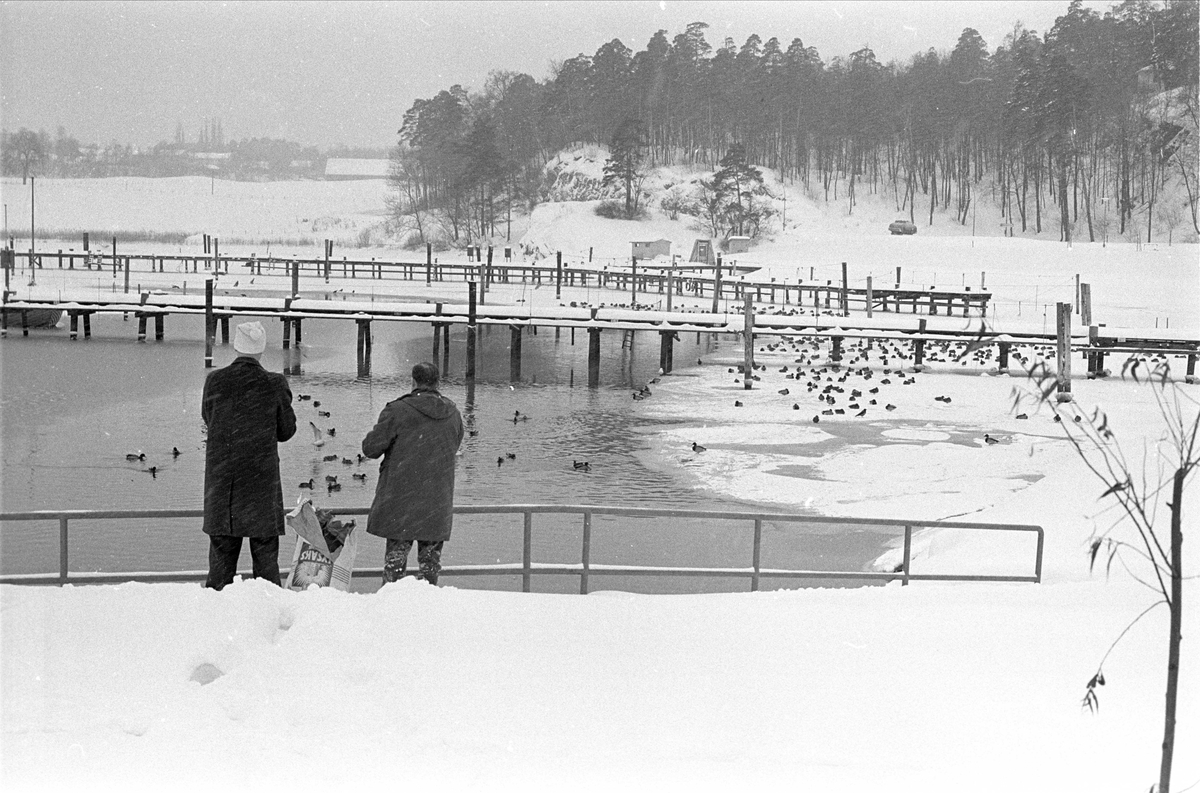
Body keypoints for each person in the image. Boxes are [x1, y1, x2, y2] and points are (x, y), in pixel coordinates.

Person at [201, 320, 297, 589]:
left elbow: (209, 418)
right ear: (262, 348)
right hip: (260, 484)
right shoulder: (274, 383)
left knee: (220, 563)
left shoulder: (215, 380)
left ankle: (216, 619)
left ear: (236, 346)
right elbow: (286, 430)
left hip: (223, 485)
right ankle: (267, 618)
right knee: (266, 564)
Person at [362, 362, 464, 585]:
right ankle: (425, 613)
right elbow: (454, 446)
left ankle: (392, 613)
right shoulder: (453, 414)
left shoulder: (397, 410)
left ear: (413, 382)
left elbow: (370, 449)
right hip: (436, 502)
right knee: (429, 568)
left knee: (395, 569)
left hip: (401, 503)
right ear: (438, 382)